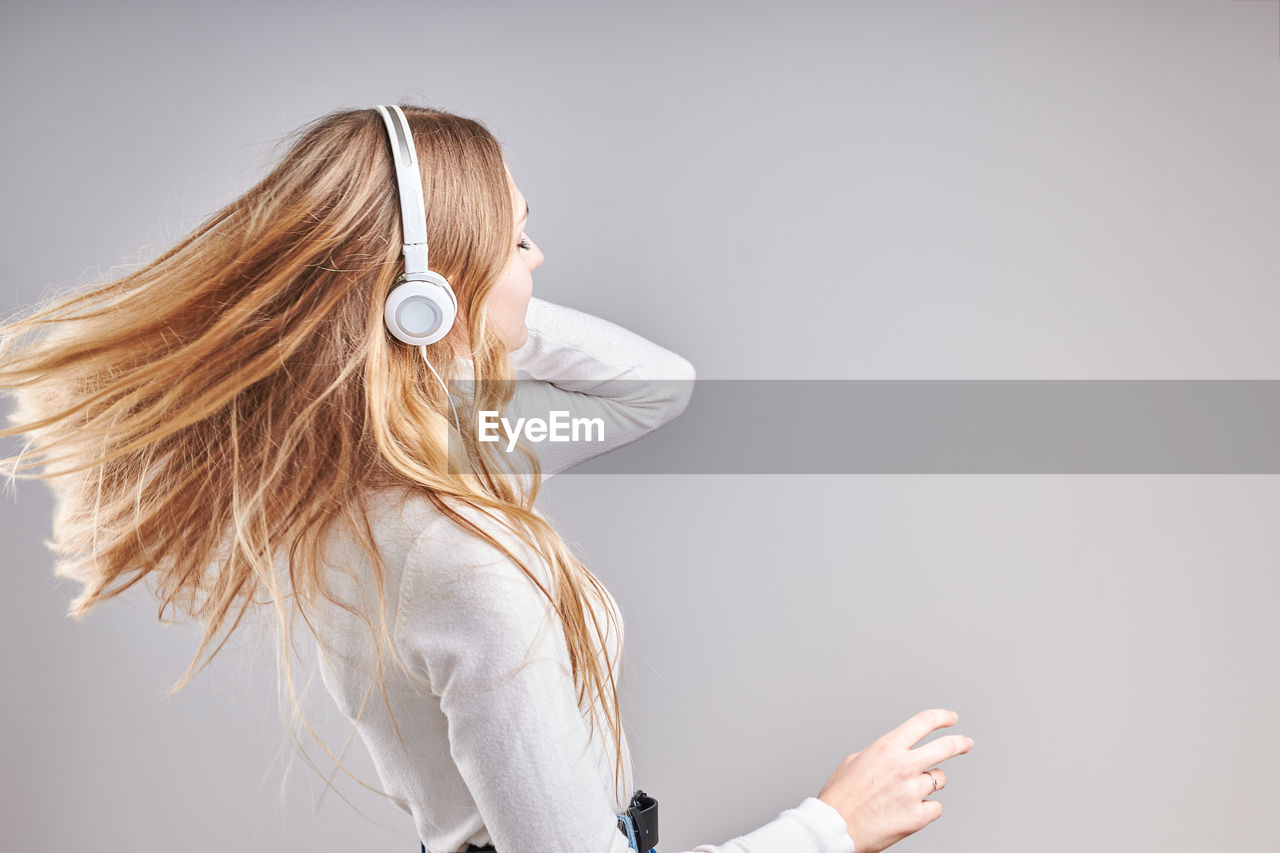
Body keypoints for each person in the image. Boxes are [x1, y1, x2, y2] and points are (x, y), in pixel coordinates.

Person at [0, 104, 973, 853]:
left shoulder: (381, 476)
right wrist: (829, 827)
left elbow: (655, 390)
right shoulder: (455, 552)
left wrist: (441, 318)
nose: (538, 256)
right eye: (515, 239)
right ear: (429, 289)